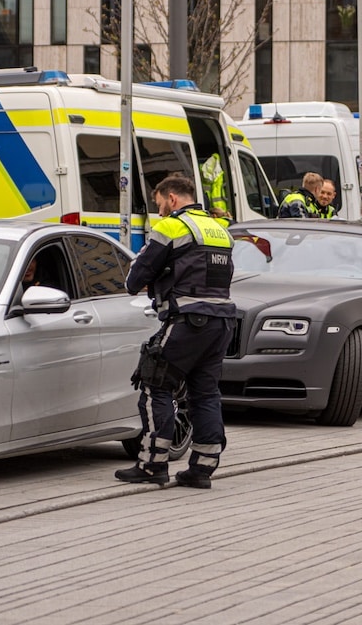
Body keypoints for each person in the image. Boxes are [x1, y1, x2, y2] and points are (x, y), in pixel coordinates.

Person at [116, 175, 236, 489]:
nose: (159, 214)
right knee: (205, 393)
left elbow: (137, 274)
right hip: (221, 322)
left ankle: (153, 464)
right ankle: (202, 468)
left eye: (159, 206)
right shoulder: (219, 231)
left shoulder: (172, 227)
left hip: (188, 321)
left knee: (156, 383)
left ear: (171, 198)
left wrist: (147, 281)